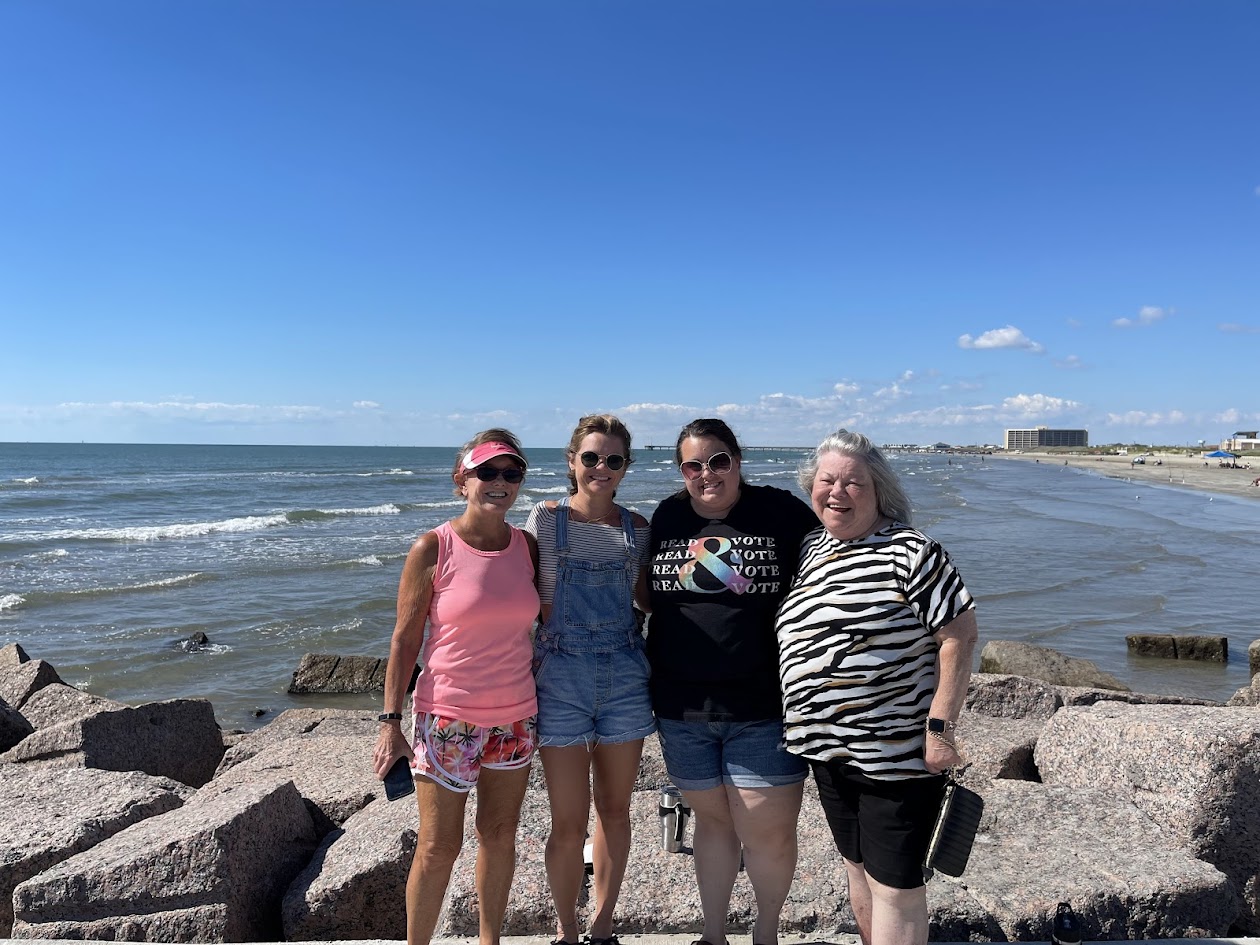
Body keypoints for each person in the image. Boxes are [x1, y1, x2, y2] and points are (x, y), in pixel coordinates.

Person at [775, 430, 979, 945]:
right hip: (825, 748)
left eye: (853, 483)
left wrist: (940, 729)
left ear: (878, 490)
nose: (837, 492)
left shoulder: (913, 551)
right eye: (827, 480)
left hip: (894, 754)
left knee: (896, 887)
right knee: (857, 869)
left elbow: (959, 635)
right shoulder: (812, 548)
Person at [646, 418, 820, 945]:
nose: (707, 474)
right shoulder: (668, 515)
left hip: (763, 705)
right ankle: (712, 936)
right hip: (681, 706)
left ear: (737, 461)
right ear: (681, 472)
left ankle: (766, 936)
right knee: (713, 825)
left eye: (718, 461)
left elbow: (837, 557)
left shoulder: (782, 511)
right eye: (693, 466)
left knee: (767, 834)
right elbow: (646, 595)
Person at [373, 429, 540, 945]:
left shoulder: (527, 547)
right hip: (447, 718)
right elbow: (405, 640)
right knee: (438, 847)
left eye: (511, 472)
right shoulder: (433, 547)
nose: (500, 482)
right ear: (461, 481)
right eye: (486, 471)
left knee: (500, 836)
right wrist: (390, 724)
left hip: (516, 717)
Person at [524, 414, 654, 945]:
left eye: (614, 459)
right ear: (571, 461)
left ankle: (603, 926)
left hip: (625, 674)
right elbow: (518, 591)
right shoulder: (545, 519)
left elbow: (647, 601)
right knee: (567, 821)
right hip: (559, 675)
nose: (602, 467)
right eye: (592, 457)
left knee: (616, 811)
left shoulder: (638, 528)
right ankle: (566, 931)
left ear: (625, 467)